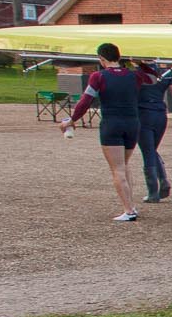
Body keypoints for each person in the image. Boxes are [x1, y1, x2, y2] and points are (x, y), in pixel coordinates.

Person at [59, 42, 157, 221]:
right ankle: (131, 205)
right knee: (125, 165)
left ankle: (128, 210)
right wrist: (139, 63)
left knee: (117, 169)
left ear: (101, 59)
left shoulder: (98, 76)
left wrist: (72, 120)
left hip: (112, 124)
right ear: (119, 57)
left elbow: (85, 100)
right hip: (132, 123)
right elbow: (153, 78)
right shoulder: (134, 75)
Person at [131, 58, 172, 203]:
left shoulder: (135, 74)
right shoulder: (166, 73)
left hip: (143, 114)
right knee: (152, 149)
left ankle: (153, 191)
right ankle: (162, 180)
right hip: (160, 114)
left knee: (148, 151)